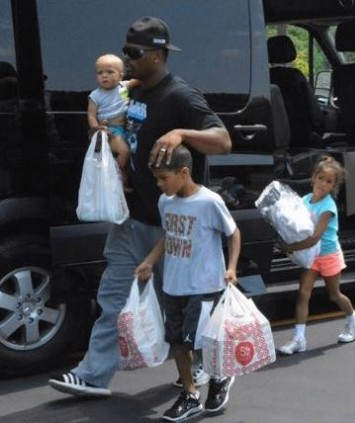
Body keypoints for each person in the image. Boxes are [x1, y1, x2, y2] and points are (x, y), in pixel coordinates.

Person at [48, 16, 231, 398]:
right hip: (131, 218)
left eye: (134, 53)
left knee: (182, 310)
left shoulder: (180, 95)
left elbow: (222, 140)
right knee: (112, 298)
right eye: (125, 50)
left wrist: (183, 132)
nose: (126, 58)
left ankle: (208, 371)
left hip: (172, 227)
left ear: (159, 55)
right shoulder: (132, 93)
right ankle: (92, 375)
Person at [135, 145, 240, 421]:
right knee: (178, 342)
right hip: (174, 284)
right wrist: (149, 260)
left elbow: (233, 233)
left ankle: (219, 376)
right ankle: (191, 395)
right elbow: (169, 236)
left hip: (205, 285)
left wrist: (231, 267)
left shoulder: (209, 202)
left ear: (184, 173)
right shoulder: (166, 202)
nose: (159, 185)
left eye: (163, 178)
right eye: (156, 179)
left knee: (199, 342)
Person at [278, 155, 355, 355]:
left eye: (329, 181)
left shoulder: (328, 207)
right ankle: (299, 339)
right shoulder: (305, 200)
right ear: (313, 178)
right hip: (311, 256)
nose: (324, 184)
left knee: (334, 294)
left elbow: (315, 237)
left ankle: (353, 322)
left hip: (328, 255)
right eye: (321, 178)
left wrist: (291, 247)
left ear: (334, 186)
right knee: (303, 294)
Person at [87, 53, 136, 190]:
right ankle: (117, 176)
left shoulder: (124, 87)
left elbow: (141, 79)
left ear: (121, 75)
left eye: (110, 72)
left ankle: (123, 176)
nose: (104, 75)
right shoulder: (95, 95)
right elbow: (91, 115)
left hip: (127, 128)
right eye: (100, 72)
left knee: (133, 155)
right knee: (124, 152)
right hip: (110, 130)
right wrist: (96, 129)